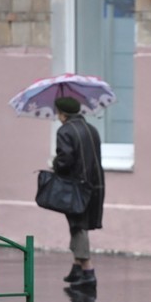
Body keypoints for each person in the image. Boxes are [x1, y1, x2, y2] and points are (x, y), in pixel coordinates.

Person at [53, 97, 105, 288]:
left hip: (76, 186)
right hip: (95, 184)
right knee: (80, 223)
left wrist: (55, 163)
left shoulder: (65, 130)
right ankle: (76, 269)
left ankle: (88, 271)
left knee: (77, 226)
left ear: (63, 113)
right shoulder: (91, 129)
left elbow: (65, 161)